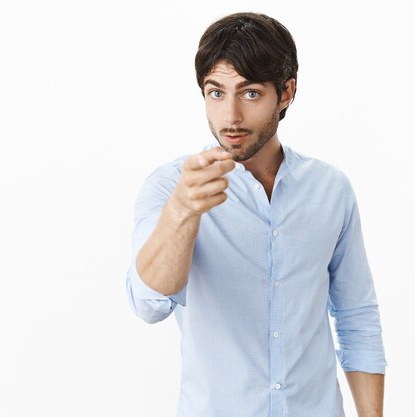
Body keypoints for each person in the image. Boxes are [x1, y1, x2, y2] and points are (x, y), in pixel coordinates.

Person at [125, 12, 387, 417]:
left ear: (285, 93)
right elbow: (149, 304)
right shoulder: (171, 188)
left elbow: (357, 316)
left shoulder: (331, 189)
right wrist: (183, 212)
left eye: (249, 94)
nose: (229, 117)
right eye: (216, 93)